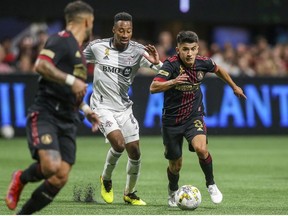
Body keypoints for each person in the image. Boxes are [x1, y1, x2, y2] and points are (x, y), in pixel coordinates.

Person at [5, 1, 99, 214]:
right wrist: (70, 80)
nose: (91, 27)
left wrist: (86, 110)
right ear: (86, 21)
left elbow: (73, 90)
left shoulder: (78, 51)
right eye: (91, 23)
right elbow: (41, 65)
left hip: (68, 118)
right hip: (47, 112)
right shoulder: (61, 40)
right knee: (50, 166)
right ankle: (21, 177)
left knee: (60, 176)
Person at [150, 31, 246, 207]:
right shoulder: (170, 66)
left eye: (193, 49)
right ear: (178, 49)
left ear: (197, 49)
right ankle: (172, 190)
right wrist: (173, 82)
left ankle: (211, 183)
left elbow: (219, 70)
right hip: (172, 121)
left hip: (194, 116)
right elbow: (153, 87)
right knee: (175, 165)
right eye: (185, 49)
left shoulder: (203, 62)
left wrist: (234, 86)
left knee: (202, 149)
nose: (189, 53)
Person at [83, 12, 162, 206]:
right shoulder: (97, 47)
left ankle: (130, 193)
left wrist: (157, 61)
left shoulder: (137, 51)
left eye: (128, 30)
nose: (125, 34)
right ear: (114, 30)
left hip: (124, 107)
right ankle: (106, 179)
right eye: (121, 30)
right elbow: (77, 59)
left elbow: (161, 71)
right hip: (101, 106)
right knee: (118, 144)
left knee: (134, 151)